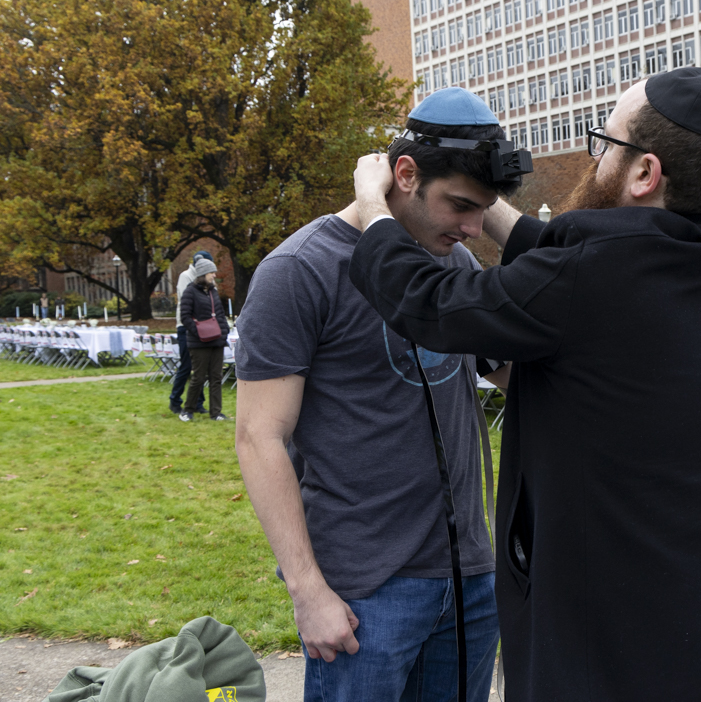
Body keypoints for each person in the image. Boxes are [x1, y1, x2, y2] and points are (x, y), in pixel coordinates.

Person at [347, 67, 701, 702]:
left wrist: (371, 208)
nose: (597, 156)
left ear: (644, 173)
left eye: (605, 144)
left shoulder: (590, 278)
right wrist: (485, 197)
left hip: (614, 643)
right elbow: (563, 249)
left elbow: (431, 302)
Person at [233, 87, 515, 702]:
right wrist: (308, 592)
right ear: (405, 175)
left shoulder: (456, 263)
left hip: (469, 579)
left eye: (484, 210)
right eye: (462, 206)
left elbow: (518, 371)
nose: (473, 228)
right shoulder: (300, 271)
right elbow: (259, 437)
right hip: (364, 593)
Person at [178, 258, 230, 422]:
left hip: (217, 341)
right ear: (202, 274)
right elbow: (185, 317)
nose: (214, 275)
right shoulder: (190, 291)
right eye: (211, 272)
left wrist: (224, 333)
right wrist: (199, 332)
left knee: (216, 377)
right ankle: (187, 410)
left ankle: (216, 413)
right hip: (198, 343)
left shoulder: (213, 291)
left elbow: (220, 315)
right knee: (198, 378)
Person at [169, 251, 212, 415]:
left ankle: (198, 403)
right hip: (186, 327)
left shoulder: (207, 279)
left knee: (199, 367)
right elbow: (189, 300)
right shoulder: (185, 276)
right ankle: (175, 400)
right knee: (187, 366)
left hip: (201, 327)